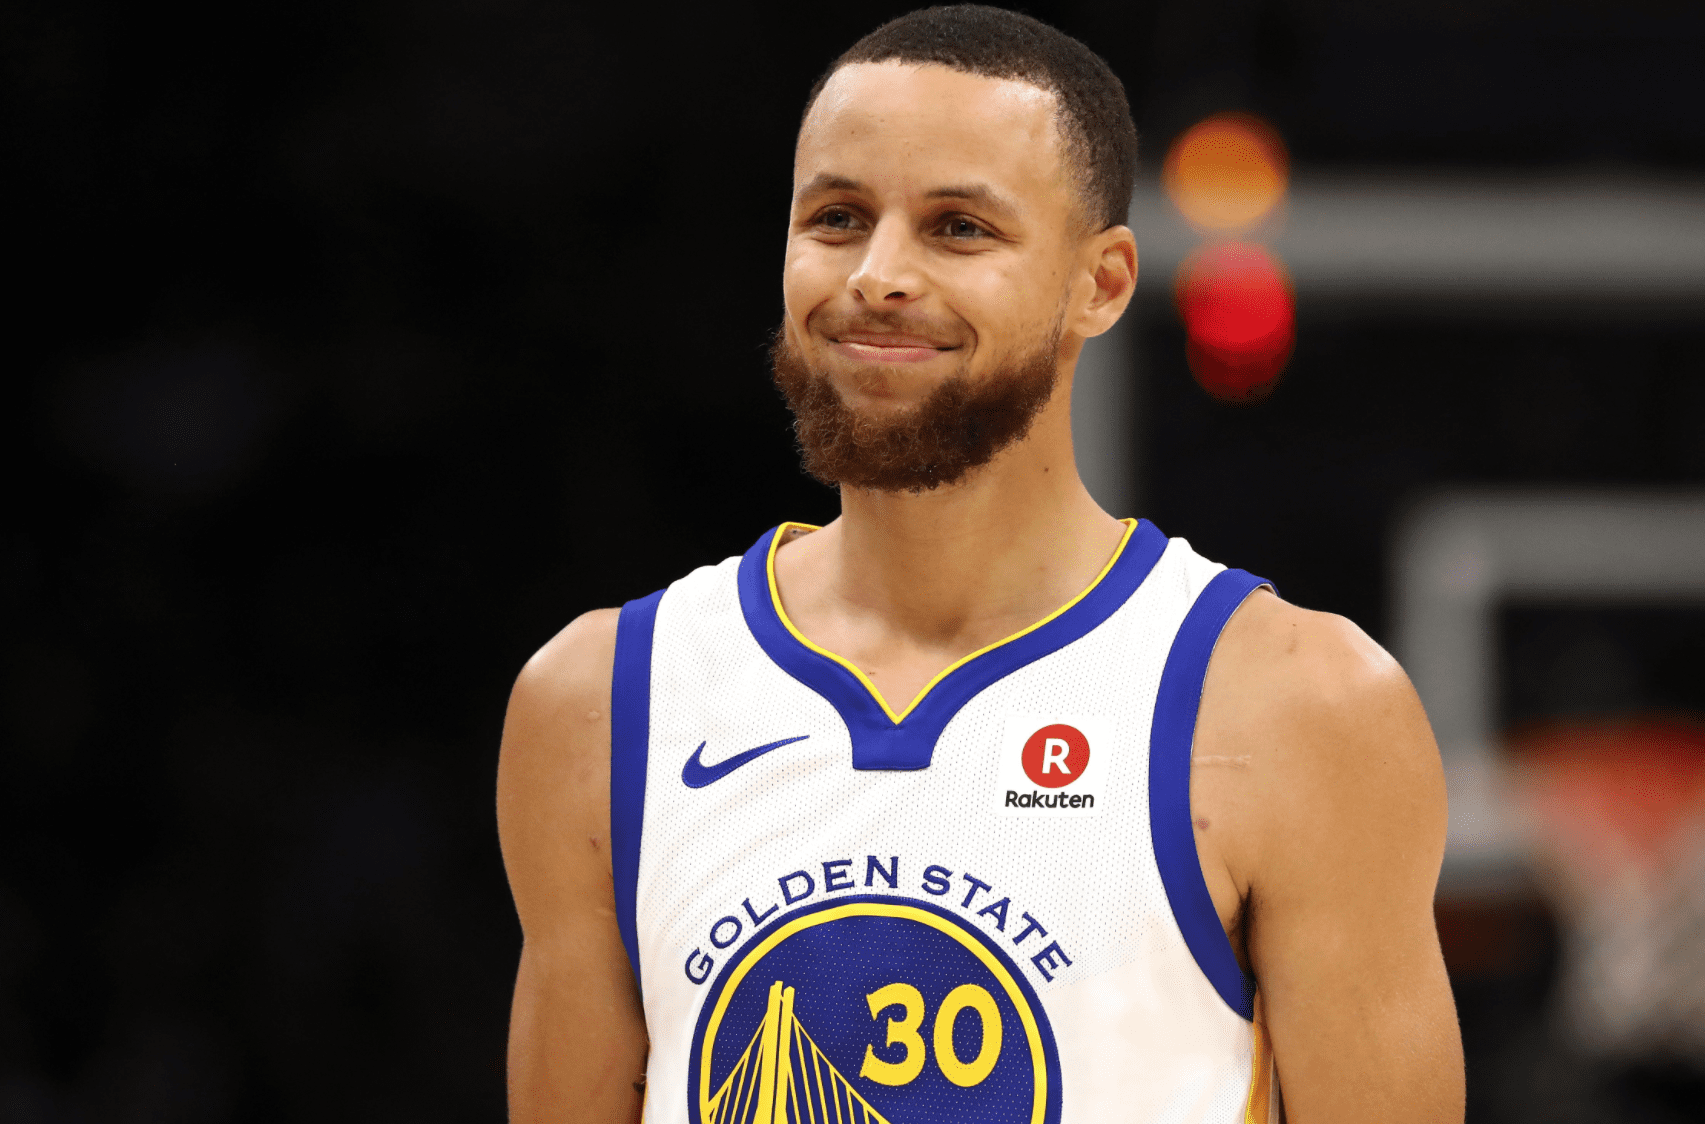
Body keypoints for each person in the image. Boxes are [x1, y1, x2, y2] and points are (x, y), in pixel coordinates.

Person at [497, 6, 1464, 1122]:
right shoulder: (597, 702)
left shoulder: (1300, 705)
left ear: (1100, 284)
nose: (878, 275)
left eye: (958, 228)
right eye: (838, 217)